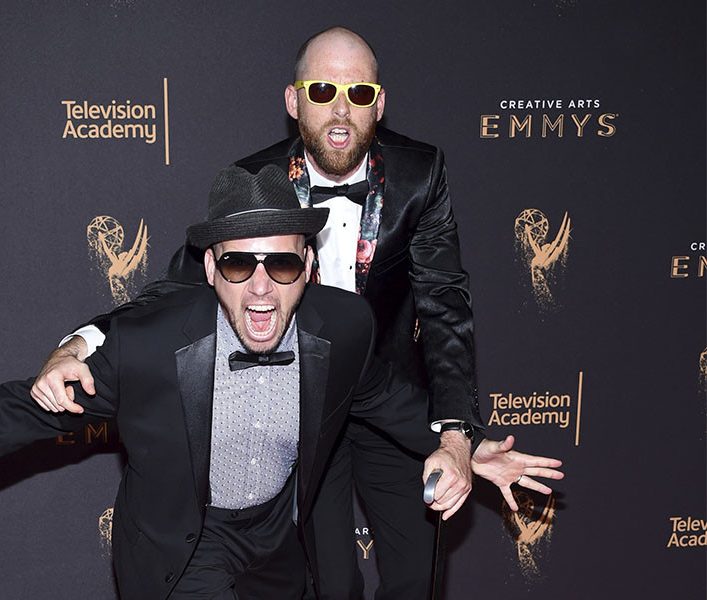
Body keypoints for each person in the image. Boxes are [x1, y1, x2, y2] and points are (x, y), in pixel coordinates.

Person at [0, 166, 561, 600]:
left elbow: (384, 398)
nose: (261, 288)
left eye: (283, 264)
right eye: (240, 264)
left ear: (310, 265)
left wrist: (461, 441)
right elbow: (26, 412)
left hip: (276, 535)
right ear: (210, 268)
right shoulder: (151, 346)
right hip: (181, 542)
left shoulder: (346, 327)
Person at [33, 27, 482, 599]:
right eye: (322, 91)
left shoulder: (422, 173)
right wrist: (83, 341)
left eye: (359, 93)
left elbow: (444, 302)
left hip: (384, 396)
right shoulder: (257, 183)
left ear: (380, 103)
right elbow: (172, 289)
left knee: (417, 577)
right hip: (301, 405)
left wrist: (456, 432)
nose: (341, 109)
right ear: (293, 101)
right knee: (332, 582)